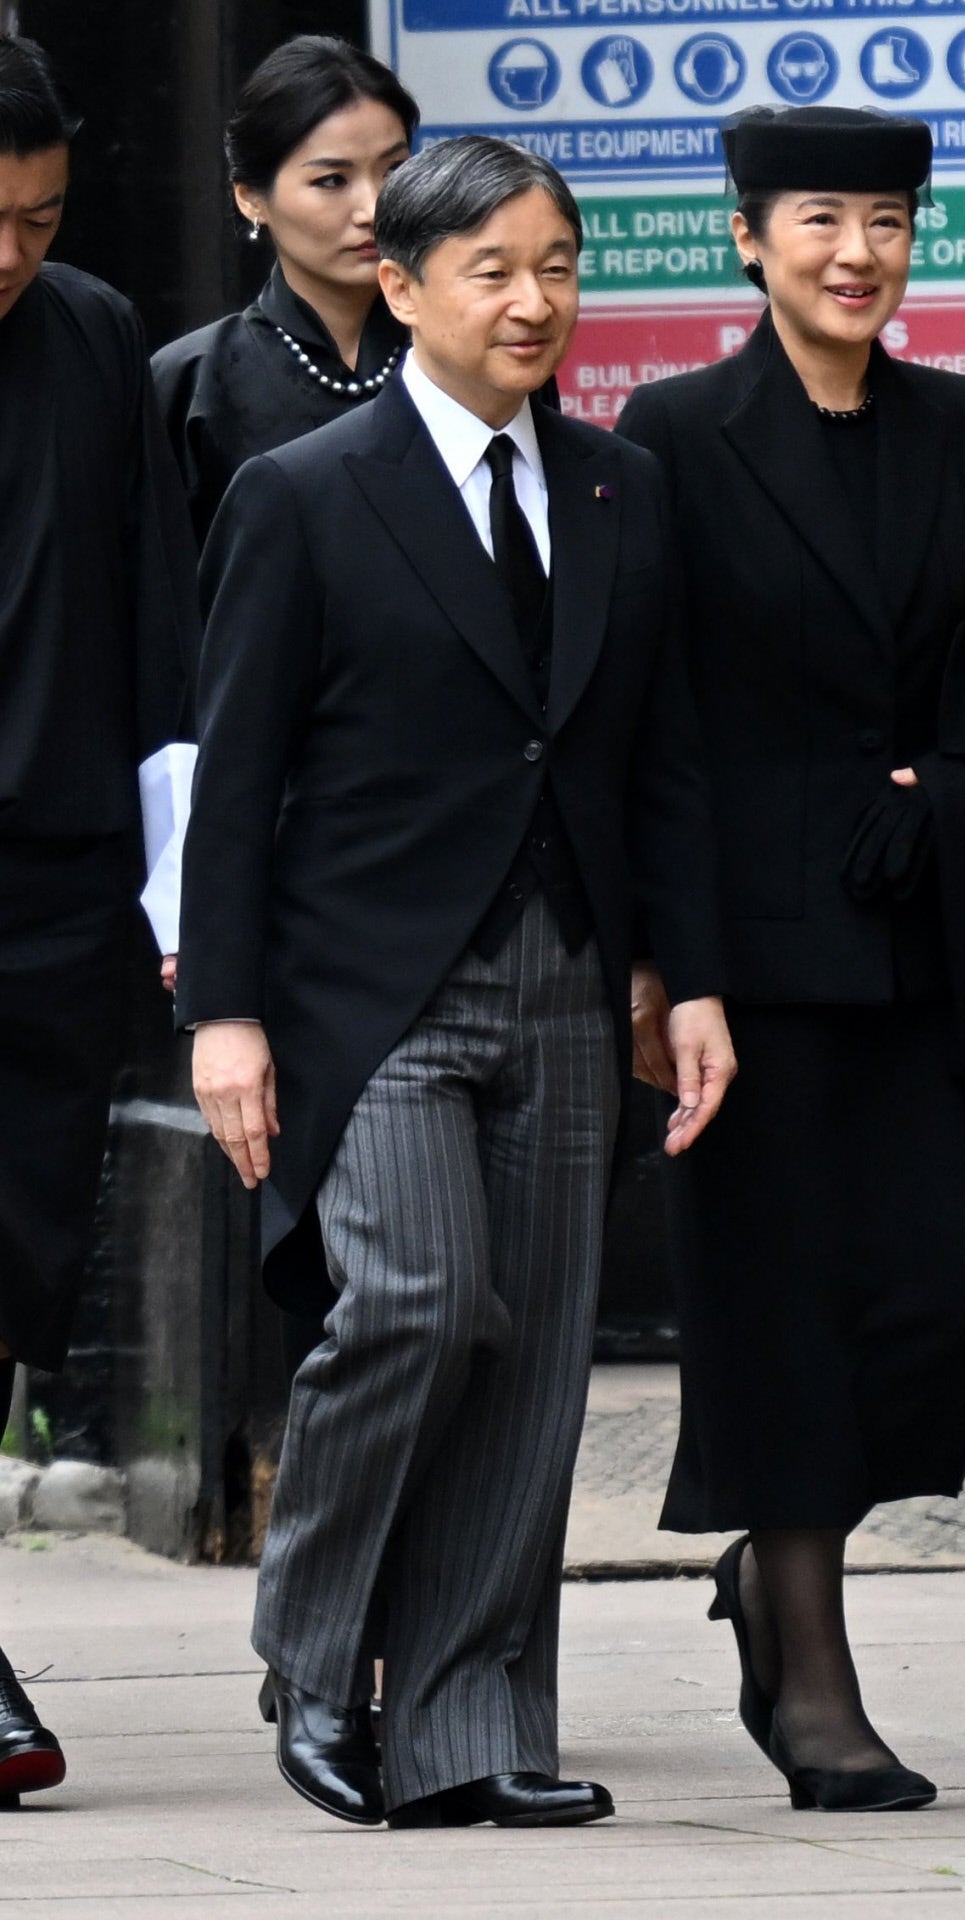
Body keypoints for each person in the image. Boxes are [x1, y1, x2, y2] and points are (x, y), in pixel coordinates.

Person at [176, 135, 735, 1831]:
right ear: (401, 286)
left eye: (556, 266)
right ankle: (313, 1650)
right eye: (491, 269)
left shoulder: (620, 487)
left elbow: (662, 759)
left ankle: (467, 1726)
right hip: (370, 992)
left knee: (535, 1361)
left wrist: (685, 979)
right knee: (419, 1302)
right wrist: (222, 1013)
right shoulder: (303, 492)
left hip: (569, 975)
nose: (532, 300)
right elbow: (237, 772)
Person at [619, 104, 965, 1814]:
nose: (858, 253)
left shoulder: (957, 424)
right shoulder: (675, 434)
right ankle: (813, 1686)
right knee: (781, 1321)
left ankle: (764, 1572)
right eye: (820, 218)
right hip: (759, 966)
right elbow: (654, 725)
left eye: (888, 221)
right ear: (747, 238)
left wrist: (956, 792)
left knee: (941, 1299)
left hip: (937, 942)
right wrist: (672, 966)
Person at [0, 35, 198, 1804]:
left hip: (51, 884)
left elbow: (152, 620)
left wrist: (171, 886)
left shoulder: (92, 336)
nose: (10, 254)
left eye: (42, 219)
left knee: (16, 1264)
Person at [151, 36, 418, 549]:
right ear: (251, 198)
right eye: (332, 180)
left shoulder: (464, 348)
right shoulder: (192, 380)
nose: (373, 208)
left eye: (395, 170)